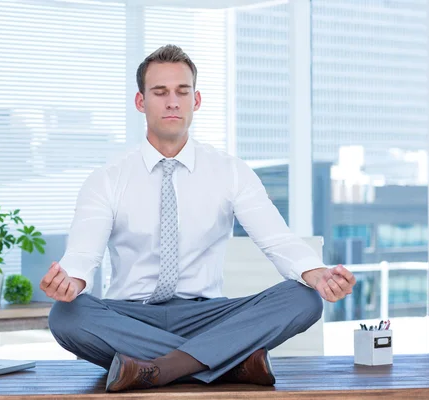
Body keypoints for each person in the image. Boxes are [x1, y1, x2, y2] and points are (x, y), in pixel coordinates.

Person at [41, 44, 356, 393]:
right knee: (66, 315)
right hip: (130, 316)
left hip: (209, 317)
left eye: (182, 91)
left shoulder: (230, 171)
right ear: (141, 102)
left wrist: (317, 274)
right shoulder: (107, 178)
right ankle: (228, 364)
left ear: (197, 100)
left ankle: (159, 368)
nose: (172, 101)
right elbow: (84, 253)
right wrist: (71, 280)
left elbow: (277, 240)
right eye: (160, 92)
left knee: (304, 298)